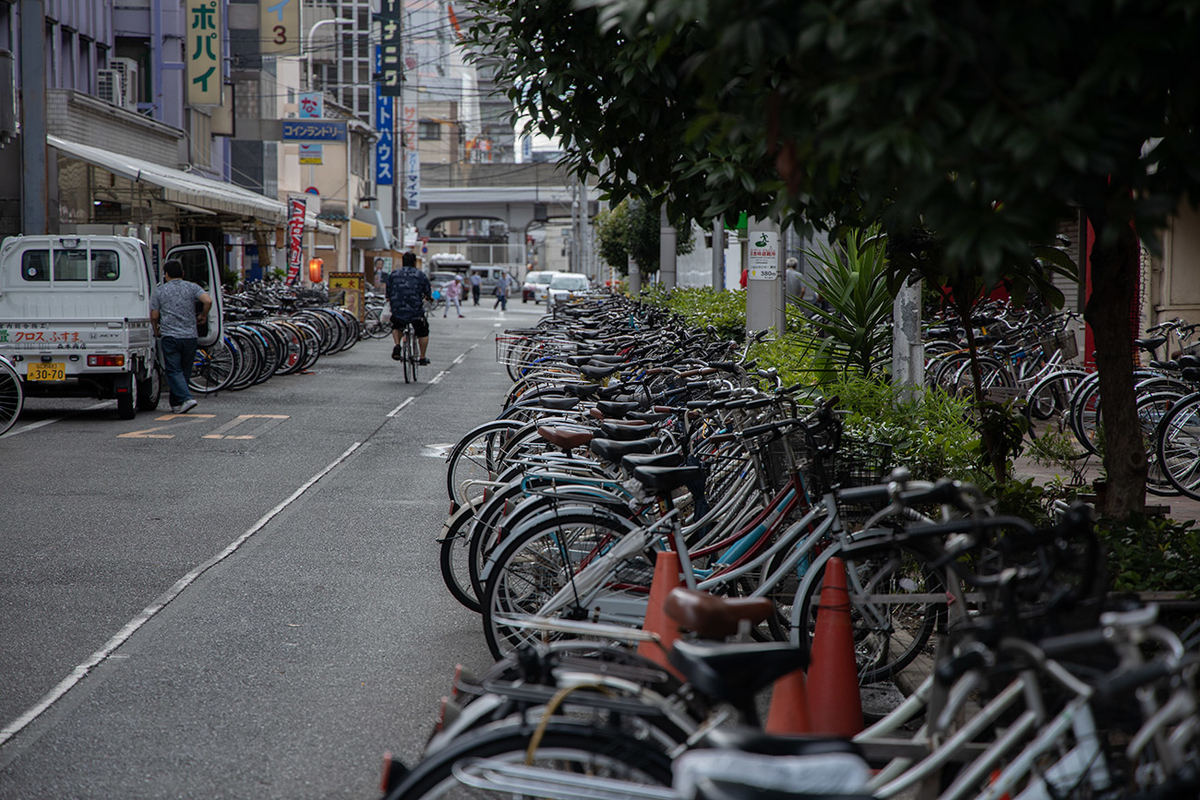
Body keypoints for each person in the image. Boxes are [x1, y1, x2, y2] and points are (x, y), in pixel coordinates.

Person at [150, 258, 212, 414]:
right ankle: (176, 404)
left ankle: (186, 398)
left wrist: (156, 329)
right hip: (190, 336)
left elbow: (154, 315)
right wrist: (203, 315)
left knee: (173, 370)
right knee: (184, 370)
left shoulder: (160, 290)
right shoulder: (192, 287)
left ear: (166, 275)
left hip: (170, 336)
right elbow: (208, 300)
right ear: (183, 273)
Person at [386, 251, 433, 365]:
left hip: (398, 310)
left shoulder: (394, 274)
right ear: (414, 262)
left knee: (396, 325)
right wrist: (428, 297)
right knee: (423, 331)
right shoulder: (420, 274)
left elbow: (388, 294)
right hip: (415, 311)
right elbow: (427, 292)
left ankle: (397, 344)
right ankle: (422, 357)